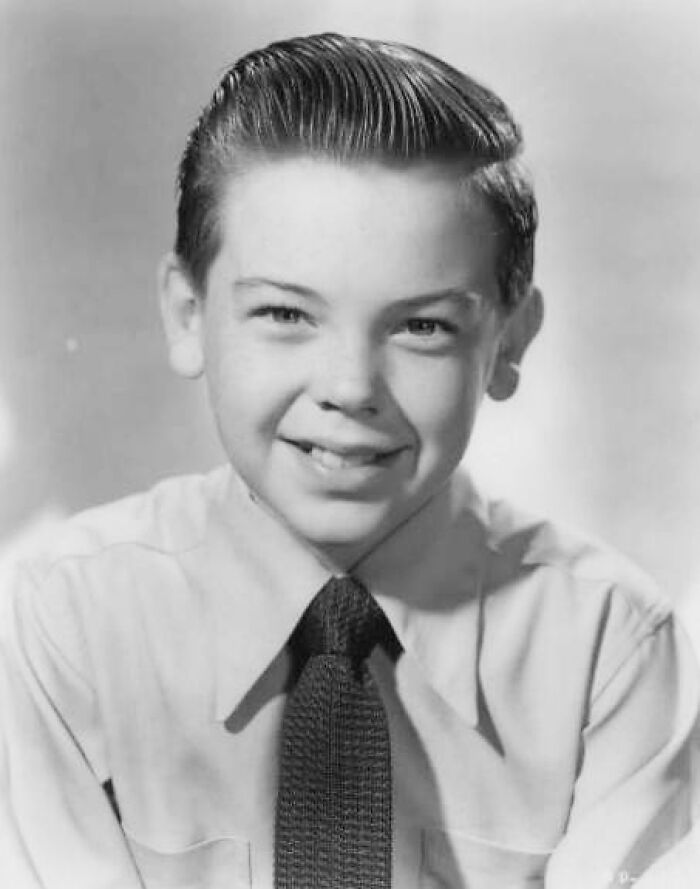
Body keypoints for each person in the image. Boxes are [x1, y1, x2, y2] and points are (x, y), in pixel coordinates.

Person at [0, 33, 697, 889]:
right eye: (287, 315)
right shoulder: (60, 627)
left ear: (509, 343)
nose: (349, 387)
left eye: (422, 326)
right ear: (188, 314)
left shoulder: (610, 652)